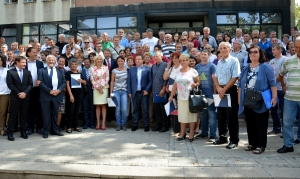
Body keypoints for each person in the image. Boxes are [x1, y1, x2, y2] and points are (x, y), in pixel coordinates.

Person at [238, 45, 277, 154]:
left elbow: (273, 83)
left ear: (260, 54)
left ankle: (261, 145)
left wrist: (274, 97)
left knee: (261, 123)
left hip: (260, 99)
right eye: (250, 52)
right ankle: (252, 143)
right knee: (250, 122)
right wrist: (239, 100)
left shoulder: (265, 67)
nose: (253, 54)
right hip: (247, 99)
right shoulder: (246, 68)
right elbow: (241, 85)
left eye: (255, 52)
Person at [212, 42, 240, 149]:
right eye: (221, 48)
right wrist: (219, 88)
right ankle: (223, 137)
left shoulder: (234, 61)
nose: (223, 50)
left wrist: (224, 89)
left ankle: (233, 140)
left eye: (225, 48)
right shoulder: (219, 62)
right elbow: (216, 77)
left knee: (231, 116)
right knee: (221, 115)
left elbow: (235, 77)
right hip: (220, 90)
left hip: (230, 89)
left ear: (230, 50)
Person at [168, 54, 200, 142]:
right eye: (181, 60)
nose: (182, 62)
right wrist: (171, 95)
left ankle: (191, 134)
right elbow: (175, 84)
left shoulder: (193, 71)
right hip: (180, 97)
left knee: (191, 116)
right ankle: (182, 133)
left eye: (184, 60)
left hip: (190, 97)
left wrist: (195, 84)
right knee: (182, 116)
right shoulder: (178, 71)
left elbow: (198, 82)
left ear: (188, 61)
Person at [277, 37, 300, 153]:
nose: (298, 49)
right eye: (296, 47)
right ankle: (288, 145)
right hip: (290, 98)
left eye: (299, 47)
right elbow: (281, 74)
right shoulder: (288, 60)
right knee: (287, 122)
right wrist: (283, 83)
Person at [38, 55, 65, 138]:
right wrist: (50, 91)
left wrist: (58, 90)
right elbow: (40, 83)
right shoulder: (41, 71)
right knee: (46, 114)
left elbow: (64, 83)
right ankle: (46, 131)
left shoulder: (59, 71)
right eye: (49, 60)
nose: (51, 61)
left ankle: (55, 130)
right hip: (45, 96)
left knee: (55, 114)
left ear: (55, 61)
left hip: (57, 95)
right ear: (46, 61)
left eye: (52, 60)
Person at [6, 56, 33, 141]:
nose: (24, 64)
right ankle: (10, 133)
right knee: (13, 115)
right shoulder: (10, 72)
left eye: (25, 63)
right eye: (23, 62)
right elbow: (10, 84)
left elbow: (30, 84)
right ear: (17, 62)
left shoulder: (28, 72)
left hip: (25, 97)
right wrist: (18, 93)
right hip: (15, 97)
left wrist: (25, 93)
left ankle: (23, 132)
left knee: (23, 115)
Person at [195, 50, 217, 141]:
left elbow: (215, 80)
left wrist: (215, 94)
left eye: (205, 54)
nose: (203, 56)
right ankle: (204, 132)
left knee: (212, 115)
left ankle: (212, 135)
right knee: (202, 115)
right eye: (202, 54)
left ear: (208, 56)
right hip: (201, 94)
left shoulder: (212, 66)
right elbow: (196, 79)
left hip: (210, 94)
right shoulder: (197, 66)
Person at [127, 54, 152, 132]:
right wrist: (129, 91)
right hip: (134, 92)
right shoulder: (132, 69)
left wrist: (147, 90)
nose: (137, 61)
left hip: (143, 92)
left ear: (142, 60)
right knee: (135, 109)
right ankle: (135, 124)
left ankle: (146, 125)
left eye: (139, 59)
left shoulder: (148, 69)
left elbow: (150, 81)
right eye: (136, 59)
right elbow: (129, 82)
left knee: (145, 109)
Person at [268, 43, 286, 135]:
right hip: (273, 89)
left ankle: (285, 130)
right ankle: (276, 128)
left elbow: (282, 74)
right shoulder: (271, 61)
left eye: (274, 49)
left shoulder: (285, 59)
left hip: (281, 88)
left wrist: (273, 81)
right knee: (274, 109)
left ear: (280, 50)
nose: (272, 51)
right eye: (272, 49)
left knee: (283, 110)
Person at [25, 47, 44, 135]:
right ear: (28, 53)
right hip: (28, 90)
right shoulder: (24, 63)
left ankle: (39, 127)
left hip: (38, 89)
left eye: (36, 52)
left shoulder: (40, 63)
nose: (36, 53)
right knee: (29, 109)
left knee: (38, 108)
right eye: (33, 52)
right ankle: (30, 128)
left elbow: (43, 75)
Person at [65, 58, 86, 133]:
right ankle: (69, 126)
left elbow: (85, 83)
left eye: (75, 64)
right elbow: (67, 85)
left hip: (80, 93)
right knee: (71, 109)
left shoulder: (80, 73)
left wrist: (82, 81)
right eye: (72, 64)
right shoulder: (68, 73)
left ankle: (76, 126)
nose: (74, 65)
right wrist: (70, 95)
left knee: (77, 110)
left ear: (77, 65)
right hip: (71, 93)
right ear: (70, 65)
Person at [163, 52, 182, 135]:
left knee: (178, 111)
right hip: (171, 91)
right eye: (173, 58)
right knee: (173, 111)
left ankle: (178, 130)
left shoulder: (181, 68)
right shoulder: (172, 68)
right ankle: (175, 129)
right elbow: (165, 77)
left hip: (179, 92)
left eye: (176, 58)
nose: (174, 60)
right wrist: (167, 67)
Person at [90, 55, 109, 130]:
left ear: (102, 60)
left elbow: (107, 78)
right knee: (97, 106)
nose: (99, 60)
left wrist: (101, 86)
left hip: (104, 88)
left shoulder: (106, 68)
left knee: (103, 105)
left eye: (100, 59)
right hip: (96, 88)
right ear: (95, 60)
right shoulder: (92, 69)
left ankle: (103, 123)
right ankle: (98, 122)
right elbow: (92, 79)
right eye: (97, 59)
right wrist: (97, 87)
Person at [110, 56, 128, 131]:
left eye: (121, 61)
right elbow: (112, 82)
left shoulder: (127, 70)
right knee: (117, 108)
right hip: (116, 91)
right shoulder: (114, 71)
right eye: (119, 61)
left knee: (124, 108)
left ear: (124, 62)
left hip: (124, 91)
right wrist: (111, 93)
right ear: (117, 62)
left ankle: (123, 124)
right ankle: (118, 124)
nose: (120, 62)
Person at [151, 51, 168, 132]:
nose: (156, 58)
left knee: (163, 109)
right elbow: (152, 79)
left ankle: (165, 126)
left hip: (162, 90)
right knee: (156, 109)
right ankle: (158, 125)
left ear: (161, 56)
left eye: (158, 56)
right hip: (155, 90)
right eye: (155, 56)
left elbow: (166, 78)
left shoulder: (165, 65)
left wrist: (164, 89)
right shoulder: (153, 66)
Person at [82, 58, 95, 129]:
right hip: (85, 92)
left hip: (93, 91)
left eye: (87, 62)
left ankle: (92, 123)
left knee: (93, 109)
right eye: (85, 62)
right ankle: (86, 123)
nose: (86, 63)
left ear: (90, 63)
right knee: (85, 108)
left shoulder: (93, 70)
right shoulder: (82, 71)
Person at [0, 54, 10, 136]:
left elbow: (9, 82)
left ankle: (2, 129)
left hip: (4, 93)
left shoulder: (7, 70)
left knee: (2, 112)